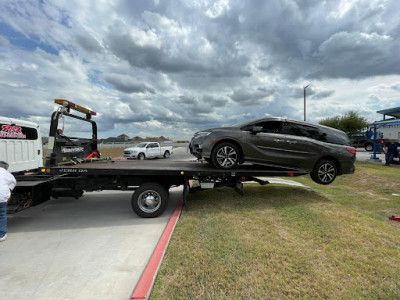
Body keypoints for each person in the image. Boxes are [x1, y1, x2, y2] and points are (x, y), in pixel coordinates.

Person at [0, 161, 16, 242]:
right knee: (1, 214)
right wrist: (9, 192)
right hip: (1, 197)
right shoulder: (7, 174)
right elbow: (13, 182)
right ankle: (1, 235)